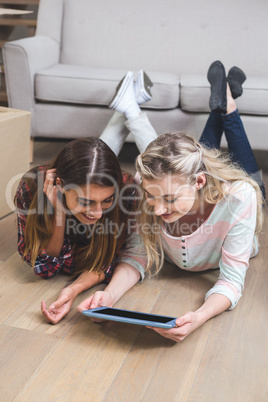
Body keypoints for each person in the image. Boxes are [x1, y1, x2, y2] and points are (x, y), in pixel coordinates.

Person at [78, 61, 265, 342]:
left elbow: (230, 281)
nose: (159, 209)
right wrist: (109, 294)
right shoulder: (148, 190)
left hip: (242, 195)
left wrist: (198, 317)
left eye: (169, 199)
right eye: (152, 198)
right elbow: (137, 256)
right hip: (198, 173)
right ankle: (225, 99)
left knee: (251, 182)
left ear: (200, 183)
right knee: (196, 154)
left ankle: (226, 103)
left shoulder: (239, 199)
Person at [15, 70, 155, 324]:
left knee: (158, 166)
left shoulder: (126, 194)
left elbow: (107, 263)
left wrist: (72, 290)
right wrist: (58, 213)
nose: (98, 213)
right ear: (59, 185)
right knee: (93, 159)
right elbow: (43, 268)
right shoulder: (29, 190)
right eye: (86, 201)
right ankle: (128, 106)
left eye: (106, 200)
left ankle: (129, 106)